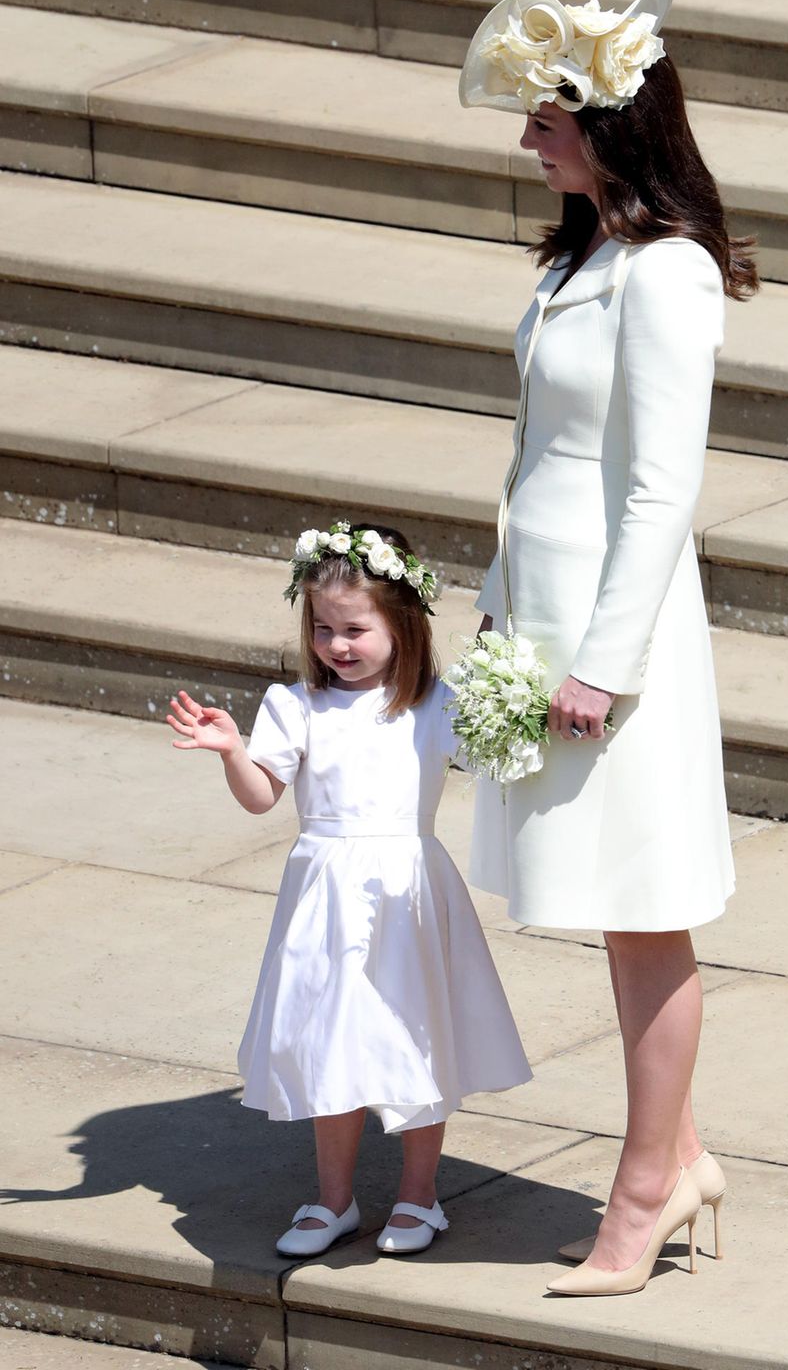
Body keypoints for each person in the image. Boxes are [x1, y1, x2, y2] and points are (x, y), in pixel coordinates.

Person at [459, 0, 758, 1296]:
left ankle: (643, 1196)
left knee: (646, 915)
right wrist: (498, 604)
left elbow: (658, 486)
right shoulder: (585, 251)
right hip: (550, 611)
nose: (528, 139)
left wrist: (603, 664)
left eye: (545, 119)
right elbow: (542, 460)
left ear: (608, 128)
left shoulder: (670, 272)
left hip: (613, 642)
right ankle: (681, 1156)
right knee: (616, 912)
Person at [168, 521, 531, 1258]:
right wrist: (233, 750)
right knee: (329, 1045)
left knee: (414, 1040)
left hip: (406, 897)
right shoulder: (296, 706)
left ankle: (418, 1194)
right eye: (324, 628)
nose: (337, 644)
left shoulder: (433, 707)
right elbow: (262, 797)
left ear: (401, 623)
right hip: (324, 903)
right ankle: (333, 1200)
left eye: (355, 628)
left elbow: (500, 760)